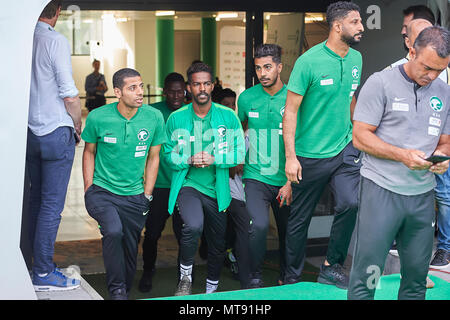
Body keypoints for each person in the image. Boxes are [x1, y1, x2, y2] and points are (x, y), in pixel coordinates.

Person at [348, 26, 450, 300]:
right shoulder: (380, 83)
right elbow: (360, 137)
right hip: (381, 192)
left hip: (421, 198)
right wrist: (402, 155)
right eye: (427, 67)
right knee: (367, 279)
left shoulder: (443, 91)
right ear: (411, 51)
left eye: (439, 71)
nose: (432, 76)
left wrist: (442, 158)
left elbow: (445, 141)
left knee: (417, 280)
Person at [282, 1, 364, 289]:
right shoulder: (308, 62)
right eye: (355, 22)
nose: (361, 27)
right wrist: (290, 158)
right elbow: (290, 110)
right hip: (309, 154)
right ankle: (291, 276)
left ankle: (332, 265)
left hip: (345, 148)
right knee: (299, 220)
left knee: (349, 203)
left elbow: (350, 98)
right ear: (338, 26)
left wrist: (358, 135)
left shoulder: (356, 59)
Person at [81, 68, 166, 300]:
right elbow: (89, 152)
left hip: (135, 195)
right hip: (102, 191)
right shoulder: (98, 117)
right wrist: (89, 188)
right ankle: (117, 290)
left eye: (140, 86)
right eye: (132, 88)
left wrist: (147, 195)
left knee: (130, 245)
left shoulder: (153, 117)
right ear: (118, 92)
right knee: (113, 230)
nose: (140, 92)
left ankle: (124, 287)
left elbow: (154, 157)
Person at [163, 62, 245, 295]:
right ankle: (185, 278)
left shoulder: (228, 117)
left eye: (206, 83)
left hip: (217, 190)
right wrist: (188, 159)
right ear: (189, 87)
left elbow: (240, 154)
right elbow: (168, 155)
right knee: (193, 225)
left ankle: (212, 289)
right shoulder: (176, 118)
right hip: (188, 184)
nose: (201, 88)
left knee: (217, 245)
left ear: (212, 86)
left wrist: (214, 158)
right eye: (196, 83)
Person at [27, 0, 82, 291]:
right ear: (57, 12)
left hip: (28, 134)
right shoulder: (54, 40)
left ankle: (29, 264)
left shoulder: (23, 39)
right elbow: (69, 94)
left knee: (34, 203)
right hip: (54, 131)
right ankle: (44, 273)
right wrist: (77, 122)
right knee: (51, 207)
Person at [237, 43, 291, 288]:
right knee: (257, 226)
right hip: (256, 175)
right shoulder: (247, 98)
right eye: (258, 68)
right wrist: (237, 157)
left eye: (268, 67)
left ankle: (288, 276)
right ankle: (255, 276)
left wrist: (290, 181)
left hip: (287, 177)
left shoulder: (294, 97)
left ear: (279, 67)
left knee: (288, 232)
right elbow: (239, 127)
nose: (263, 73)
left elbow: (302, 139)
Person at [138, 72, 185, 293]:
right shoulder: (152, 112)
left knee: (184, 233)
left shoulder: (191, 110)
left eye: (180, 90)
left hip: (184, 186)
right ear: (164, 91)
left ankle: (183, 276)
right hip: (158, 185)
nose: (176, 95)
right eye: (171, 91)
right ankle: (148, 271)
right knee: (153, 233)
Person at [216, 87, 252, 289]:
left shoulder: (241, 129)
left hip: (244, 189)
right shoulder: (218, 131)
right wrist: (236, 164)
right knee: (229, 230)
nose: (231, 108)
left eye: (233, 105)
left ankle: (237, 261)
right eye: (226, 105)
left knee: (243, 229)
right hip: (226, 189)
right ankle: (233, 261)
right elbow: (232, 169)